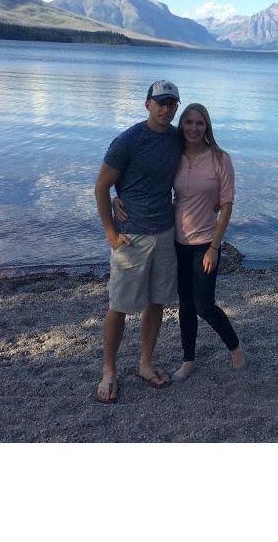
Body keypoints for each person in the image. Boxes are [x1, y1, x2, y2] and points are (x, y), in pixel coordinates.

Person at [114, 102, 245, 382]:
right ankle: (188, 360)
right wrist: (118, 197)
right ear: (181, 126)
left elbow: (227, 206)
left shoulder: (221, 159)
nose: (193, 128)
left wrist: (214, 247)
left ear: (207, 127)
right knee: (185, 304)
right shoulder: (176, 153)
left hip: (205, 243)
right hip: (175, 239)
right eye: (188, 123)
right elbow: (144, 178)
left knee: (204, 305)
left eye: (199, 123)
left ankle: (235, 349)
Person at [93, 79, 182, 403]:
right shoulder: (128, 140)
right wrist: (110, 232)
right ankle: (109, 370)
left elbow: (200, 159)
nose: (166, 109)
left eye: (172, 104)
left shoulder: (177, 139)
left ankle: (145, 363)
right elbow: (102, 186)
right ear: (147, 104)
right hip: (131, 238)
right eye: (160, 103)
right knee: (118, 306)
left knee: (156, 301)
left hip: (165, 233)